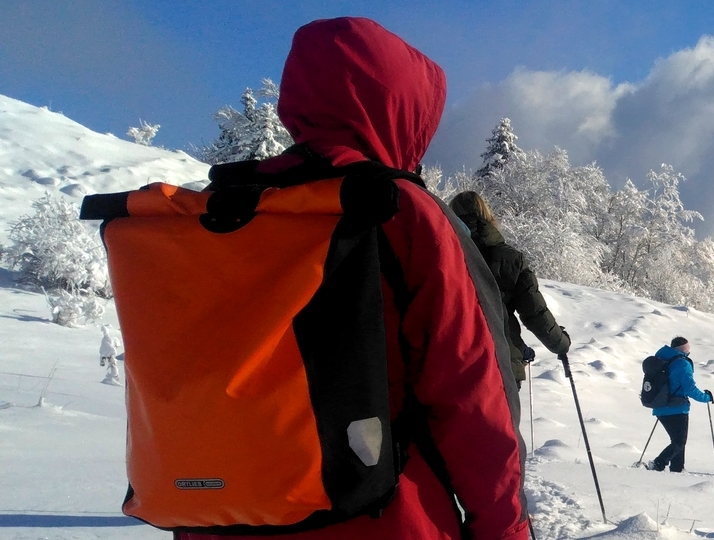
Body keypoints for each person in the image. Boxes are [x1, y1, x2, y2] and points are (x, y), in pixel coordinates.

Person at [178, 17, 529, 539]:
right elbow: (472, 400)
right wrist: (506, 530)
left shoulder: (223, 212)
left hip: (223, 516)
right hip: (384, 519)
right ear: (403, 111)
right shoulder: (400, 212)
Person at [449, 191, 570, 389]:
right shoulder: (511, 259)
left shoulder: (440, 254)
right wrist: (561, 343)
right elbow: (535, 313)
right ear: (488, 215)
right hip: (500, 366)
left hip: (447, 364)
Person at [645, 337, 713, 473]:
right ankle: (658, 464)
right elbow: (690, 389)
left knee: (677, 442)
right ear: (683, 349)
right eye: (688, 349)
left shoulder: (660, 359)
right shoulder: (682, 363)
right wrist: (706, 397)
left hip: (659, 406)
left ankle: (677, 469)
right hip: (677, 407)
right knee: (679, 442)